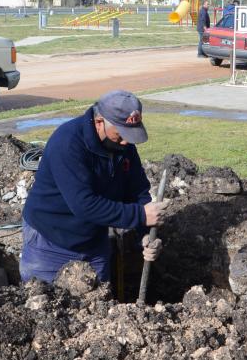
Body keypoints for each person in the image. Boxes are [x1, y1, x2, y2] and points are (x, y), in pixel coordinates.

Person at [21, 90, 167, 284]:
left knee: (98, 306)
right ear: (100, 122)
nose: (126, 142)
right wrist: (140, 215)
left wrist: (145, 235)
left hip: (94, 241)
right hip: (50, 241)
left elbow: (137, 192)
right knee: (47, 306)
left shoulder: (124, 147)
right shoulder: (67, 143)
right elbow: (84, 204)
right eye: (120, 135)